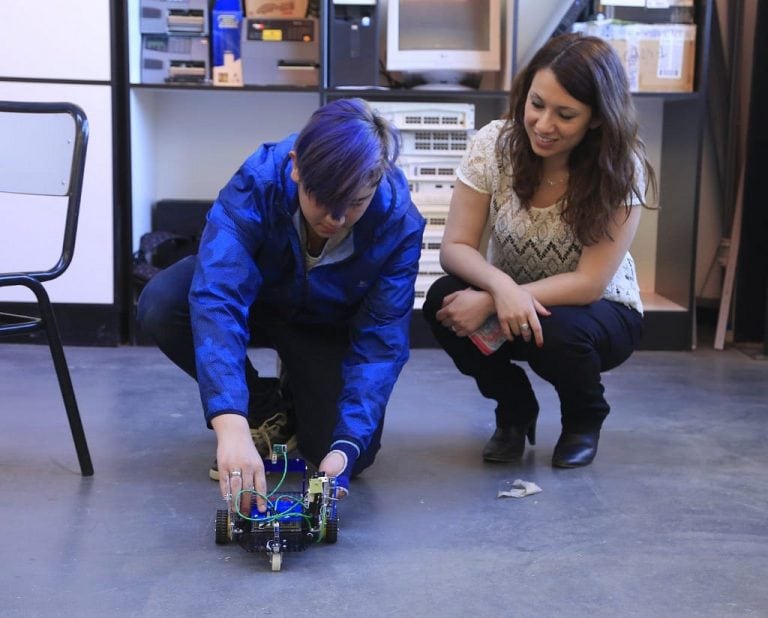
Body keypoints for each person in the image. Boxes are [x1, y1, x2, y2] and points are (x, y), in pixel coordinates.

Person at [138, 98, 425, 509]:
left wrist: (345, 447)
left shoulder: (398, 224)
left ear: (377, 182)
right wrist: (231, 426)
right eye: (324, 198)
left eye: (356, 203)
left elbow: (381, 344)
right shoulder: (258, 181)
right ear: (296, 166)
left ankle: (300, 390)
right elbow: (219, 294)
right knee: (163, 303)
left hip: (325, 325)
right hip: (257, 301)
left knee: (346, 452)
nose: (338, 219)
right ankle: (263, 405)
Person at [422, 33, 656, 468]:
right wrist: (500, 286)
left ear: (598, 119)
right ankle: (513, 407)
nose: (544, 125)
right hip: (513, 295)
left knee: (561, 330)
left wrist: (496, 296)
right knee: (444, 302)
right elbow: (455, 246)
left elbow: (588, 283)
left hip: (597, 311)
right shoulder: (494, 143)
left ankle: (584, 418)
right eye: (536, 104)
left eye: (565, 114)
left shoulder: (623, 167)